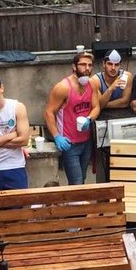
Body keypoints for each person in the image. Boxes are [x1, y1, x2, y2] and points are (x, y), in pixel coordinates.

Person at [45, 50, 100, 185]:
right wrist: (56, 136)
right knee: (76, 182)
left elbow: (96, 107)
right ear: (74, 67)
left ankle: (78, 205)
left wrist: (89, 119)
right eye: (83, 65)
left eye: (90, 65)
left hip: (86, 141)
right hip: (70, 143)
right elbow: (48, 112)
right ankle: (75, 205)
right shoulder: (63, 87)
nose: (87, 68)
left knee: (82, 179)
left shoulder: (91, 84)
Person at [94, 49, 132, 182]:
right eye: (110, 64)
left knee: (123, 159)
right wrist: (111, 89)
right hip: (102, 124)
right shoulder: (96, 80)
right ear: (103, 64)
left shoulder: (126, 76)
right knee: (104, 162)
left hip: (121, 121)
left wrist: (104, 104)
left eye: (116, 65)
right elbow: (97, 105)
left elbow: (125, 102)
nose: (113, 68)